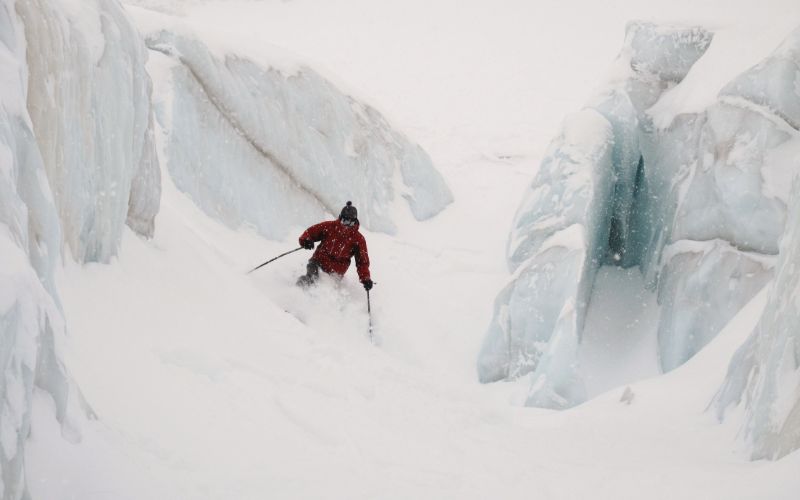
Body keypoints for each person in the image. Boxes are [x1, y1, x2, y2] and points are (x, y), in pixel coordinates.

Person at [296, 201, 373, 290]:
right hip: (318, 262)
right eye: (345, 221)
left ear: (355, 222)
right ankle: (297, 292)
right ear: (340, 218)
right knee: (311, 278)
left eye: (351, 223)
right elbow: (310, 233)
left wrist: (365, 278)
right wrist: (306, 240)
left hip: (336, 272)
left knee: (326, 289)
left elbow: (362, 262)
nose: (347, 226)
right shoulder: (329, 227)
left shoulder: (358, 239)